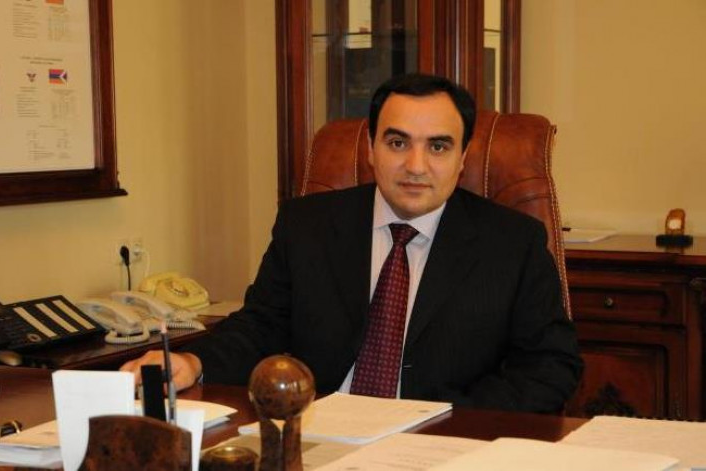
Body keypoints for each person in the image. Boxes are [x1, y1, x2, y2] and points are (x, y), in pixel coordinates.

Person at [122, 73, 583, 413]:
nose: (416, 165)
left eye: (438, 147)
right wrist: (193, 360)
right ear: (371, 149)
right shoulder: (307, 225)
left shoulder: (512, 243)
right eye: (397, 143)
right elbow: (260, 327)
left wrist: (446, 418)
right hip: (320, 433)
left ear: (463, 158)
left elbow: (550, 365)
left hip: (443, 441)